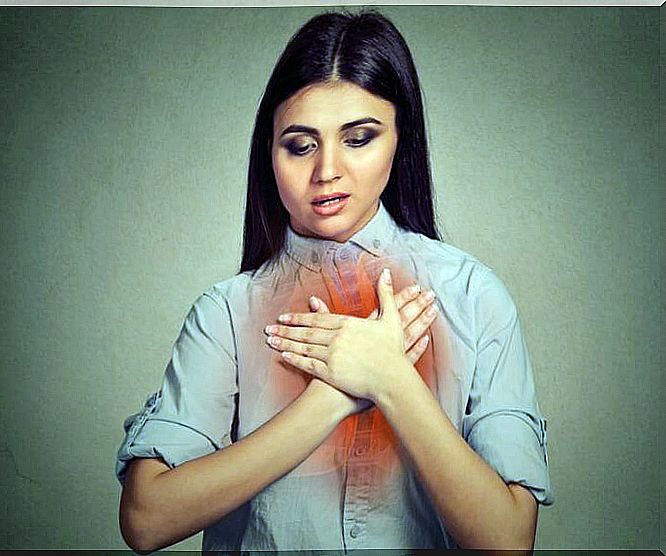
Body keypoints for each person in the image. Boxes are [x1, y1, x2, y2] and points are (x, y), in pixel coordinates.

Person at [115, 9, 554, 553]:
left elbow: (509, 540)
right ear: (268, 153)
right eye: (300, 145)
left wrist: (390, 380)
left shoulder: (473, 295)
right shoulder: (226, 313)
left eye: (359, 138)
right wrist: (333, 396)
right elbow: (147, 518)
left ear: (401, 139)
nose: (327, 171)